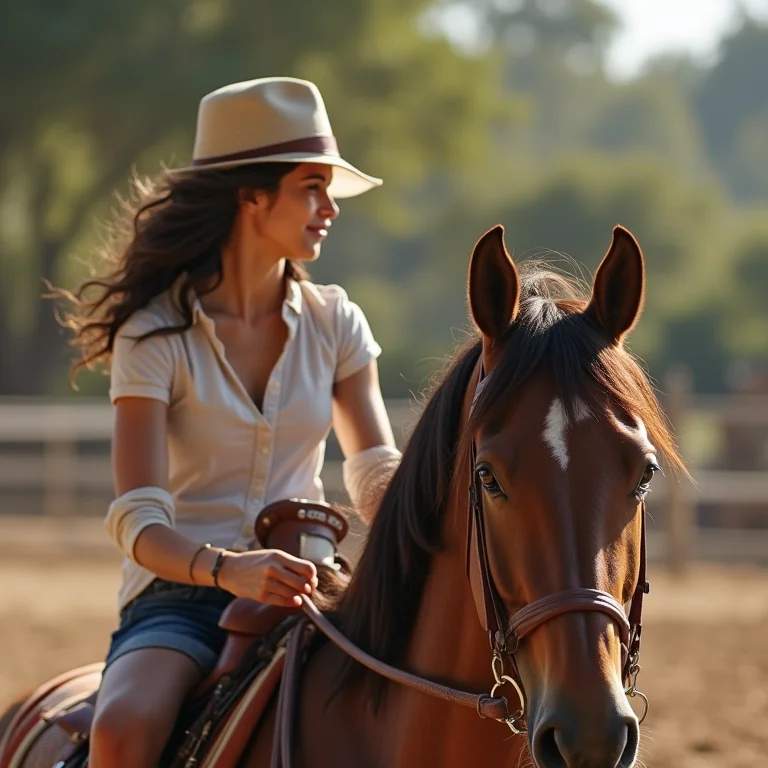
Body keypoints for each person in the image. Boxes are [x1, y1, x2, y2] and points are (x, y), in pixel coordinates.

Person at [59, 77, 401, 767]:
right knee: (124, 727)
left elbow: (373, 470)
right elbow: (139, 522)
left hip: (317, 586)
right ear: (251, 196)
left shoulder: (339, 323)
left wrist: (425, 510)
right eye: (312, 187)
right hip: (179, 599)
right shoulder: (154, 336)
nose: (330, 208)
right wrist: (227, 570)